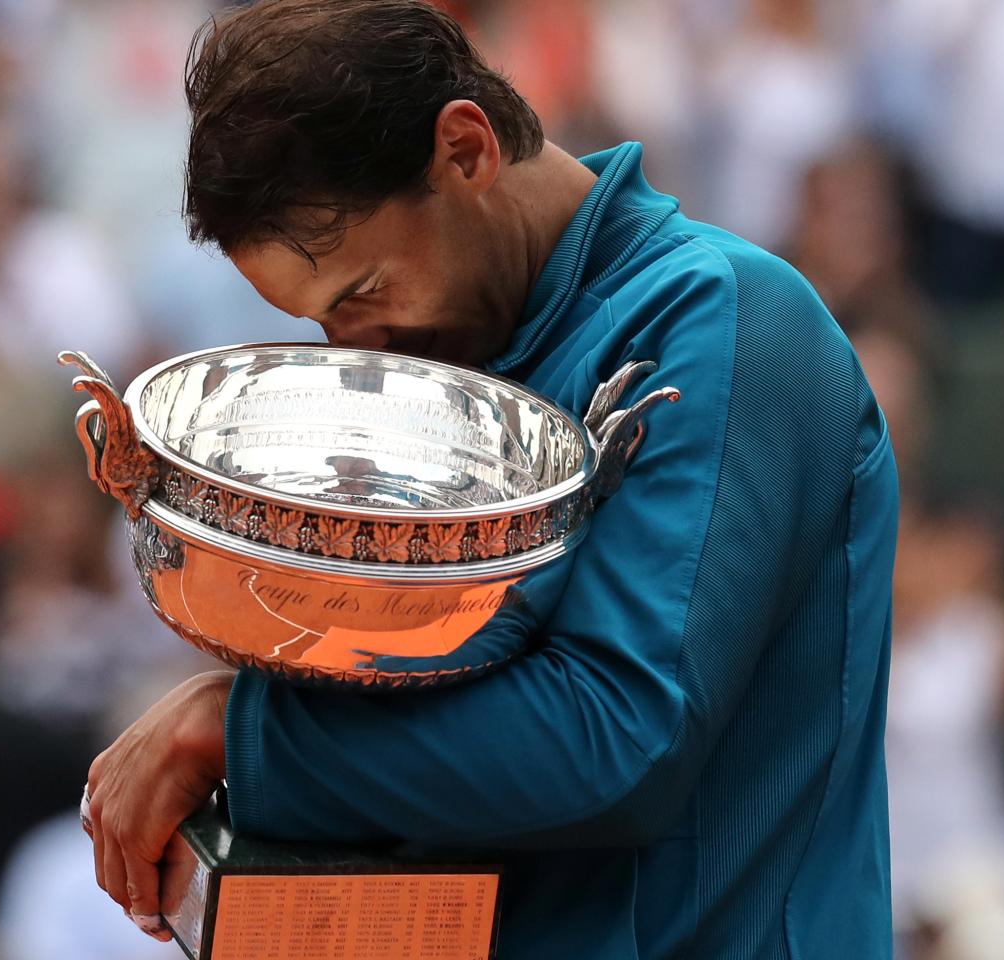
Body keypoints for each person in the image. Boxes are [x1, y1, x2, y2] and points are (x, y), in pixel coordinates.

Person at [79, 2, 898, 958]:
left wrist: (240, 732)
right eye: (320, 324)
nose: (356, 350)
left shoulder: (728, 317)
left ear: (465, 152)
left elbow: (619, 737)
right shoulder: (457, 366)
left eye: (364, 292)